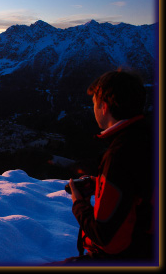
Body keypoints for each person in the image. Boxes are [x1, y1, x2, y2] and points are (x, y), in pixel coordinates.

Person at [57, 69, 155, 265]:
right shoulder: (147, 138)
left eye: (93, 103)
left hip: (124, 257)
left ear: (104, 106)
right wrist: (99, 183)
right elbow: (137, 188)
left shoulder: (120, 154)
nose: (92, 109)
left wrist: (78, 203)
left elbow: (103, 235)